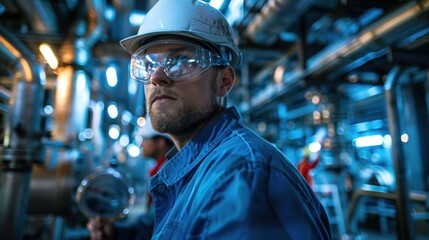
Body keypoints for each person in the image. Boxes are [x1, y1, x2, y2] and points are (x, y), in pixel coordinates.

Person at [90, 0, 331, 239]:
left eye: (181, 60)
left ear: (224, 81)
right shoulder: (195, 169)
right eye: (149, 63)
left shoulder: (240, 174)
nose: (157, 76)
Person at [87, 121, 173, 240]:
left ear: (160, 142)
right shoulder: (160, 170)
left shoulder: (169, 174)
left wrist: (118, 232)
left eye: (145, 139)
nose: (141, 145)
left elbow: (154, 222)